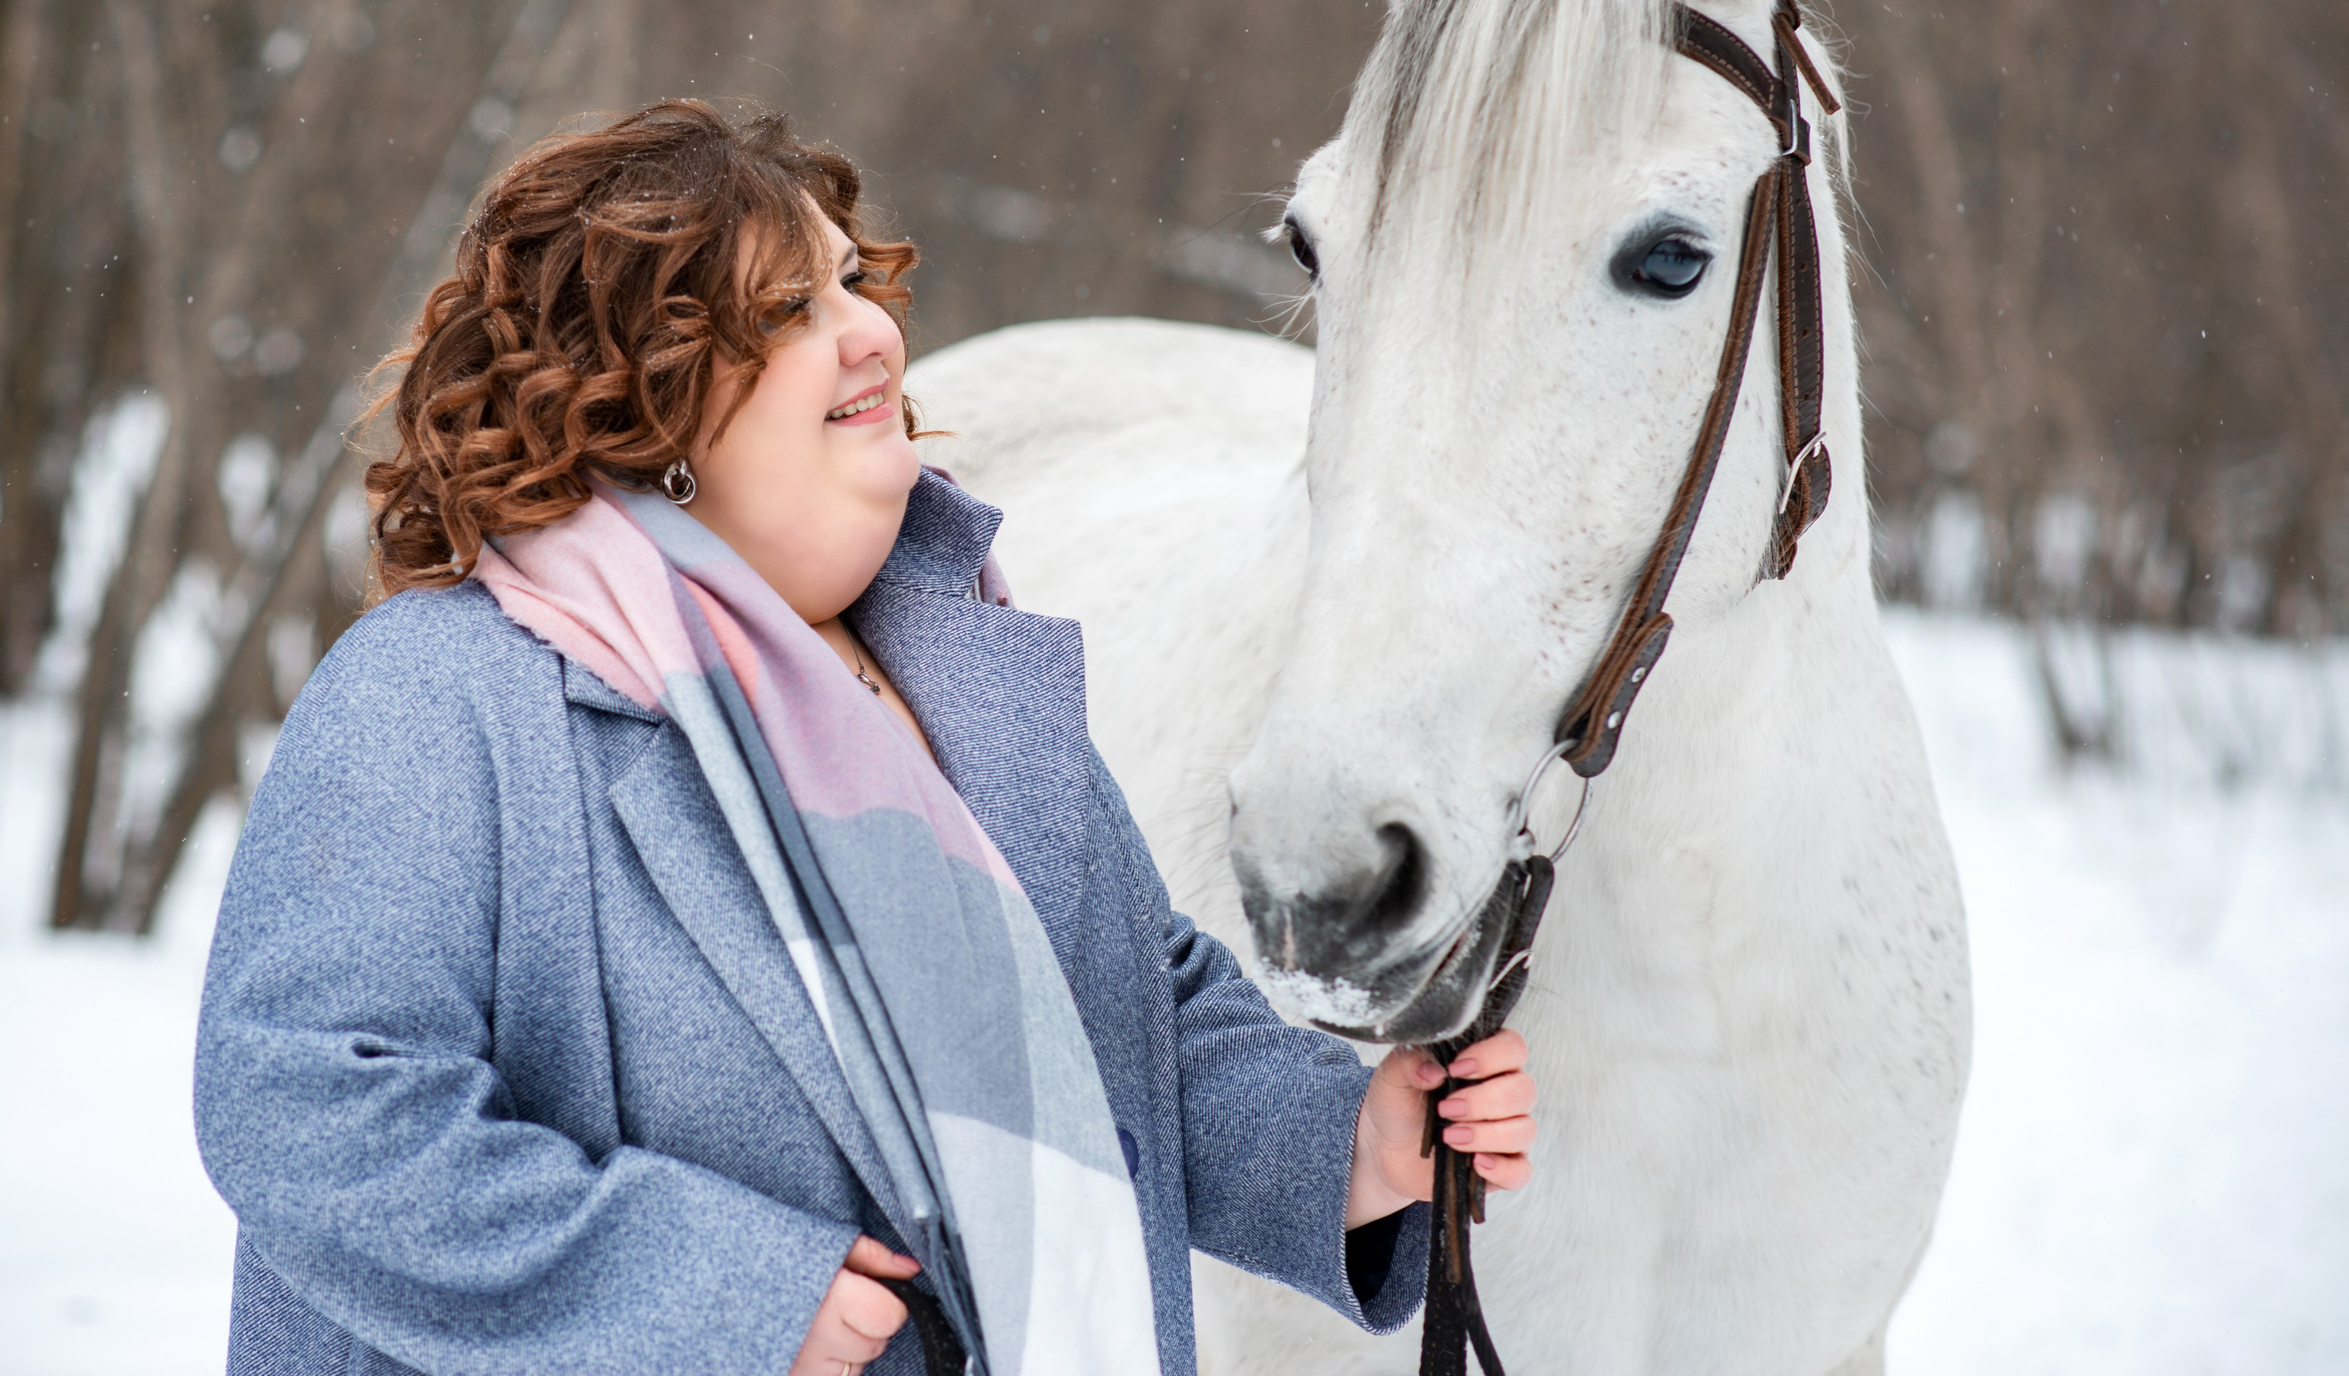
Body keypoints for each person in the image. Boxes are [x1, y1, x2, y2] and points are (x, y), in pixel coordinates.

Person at [192, 99, 1536, 1376]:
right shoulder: (446, 689)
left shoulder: (957, 672)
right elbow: (310, 1102)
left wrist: (1351, 1147)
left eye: (853, 283)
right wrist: (714, 1294)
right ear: (638, 400)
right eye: (789, 309)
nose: (873, 335)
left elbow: (1136, 1016)